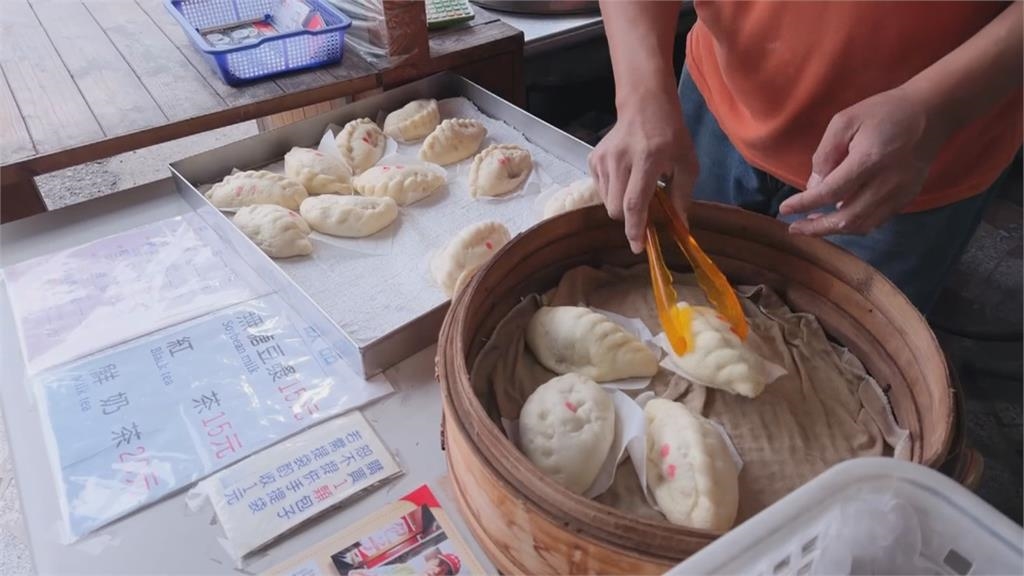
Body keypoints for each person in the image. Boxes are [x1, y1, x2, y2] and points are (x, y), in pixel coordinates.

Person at [590, 1, 1022, 312]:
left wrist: (934, 110)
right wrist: (640, 95)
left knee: (839, 370)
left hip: (910, 157)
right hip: (712, 101)